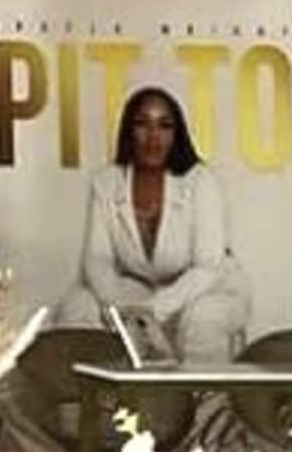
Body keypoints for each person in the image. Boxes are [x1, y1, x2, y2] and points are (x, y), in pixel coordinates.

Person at [75, 84, 252, 363]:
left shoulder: (202, 181)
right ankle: (99, 392)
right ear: (129, 131)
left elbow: (207, 267)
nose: (153, 136)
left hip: (209, 288)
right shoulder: (106, 182)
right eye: (142, 124)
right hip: (144, 287)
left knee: (201, 322)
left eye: (164, 125)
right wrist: (120, 310)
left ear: (177, 133)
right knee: (77, 307)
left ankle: (204, 393)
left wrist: (151, 311)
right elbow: (97, 260)